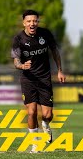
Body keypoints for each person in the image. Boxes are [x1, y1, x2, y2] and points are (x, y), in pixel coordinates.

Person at [11, 9, 66, 153]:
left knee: (48, 115)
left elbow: (55, 51)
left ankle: (46, 125)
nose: (32, 24)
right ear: (24, 23)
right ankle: (35, 144)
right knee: (31, 112)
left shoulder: (45, 34)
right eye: (29, 21)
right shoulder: (18, 39)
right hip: (28, 79)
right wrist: (22, 65)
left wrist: (59, 70)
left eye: (34, 21)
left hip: (44, 78)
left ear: (38, 22)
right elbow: (16, 62)